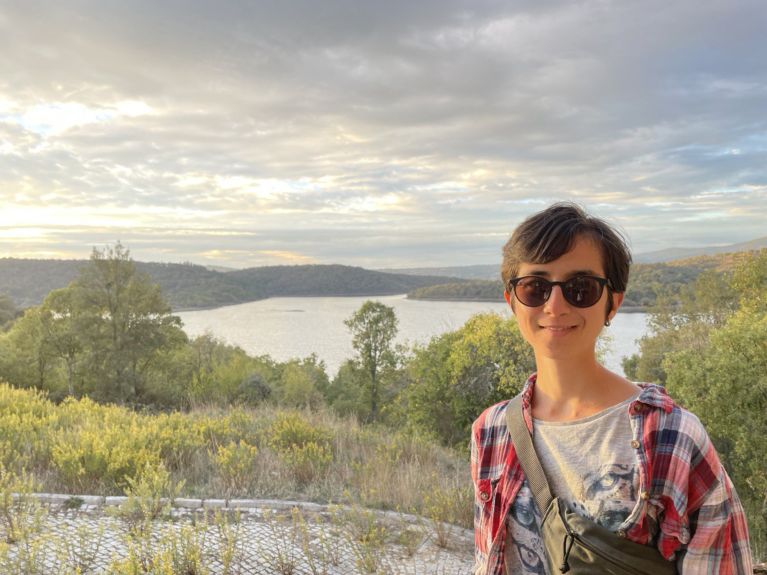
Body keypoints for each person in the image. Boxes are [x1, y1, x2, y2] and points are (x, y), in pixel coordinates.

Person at [471, 202, 753, 574]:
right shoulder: (492, 432)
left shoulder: (672, 438)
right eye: (535, 287)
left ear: (612, 303)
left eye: (580, 288)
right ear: (512, 300)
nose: (555, 305)